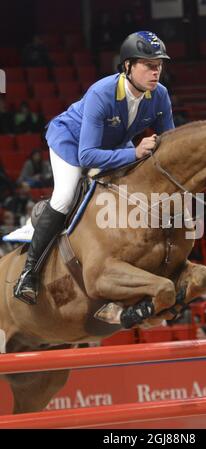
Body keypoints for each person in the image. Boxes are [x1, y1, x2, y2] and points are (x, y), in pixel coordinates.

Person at [14, 30, 174, 305]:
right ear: (127, 66)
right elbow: (87, 157)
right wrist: (136, 152)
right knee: (65, 196)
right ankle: (28, 274)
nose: (155, 72)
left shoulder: (159, 95)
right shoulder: (102, 92)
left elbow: (170, 144)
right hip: (72, 143)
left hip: (113, 146)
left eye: (158, 65)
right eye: (148, 65)